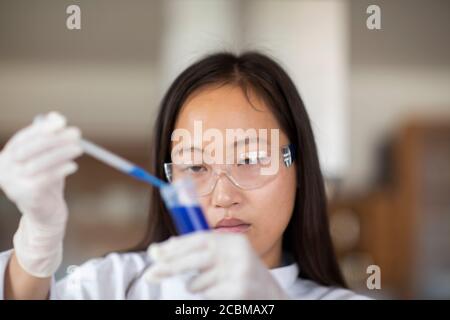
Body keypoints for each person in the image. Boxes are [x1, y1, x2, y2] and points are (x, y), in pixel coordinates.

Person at [0, 52, 368, 299]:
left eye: (252, 158)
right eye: (195, 166)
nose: (224, 196)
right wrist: (38, 238)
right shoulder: (119, 285)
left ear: (299, 170)